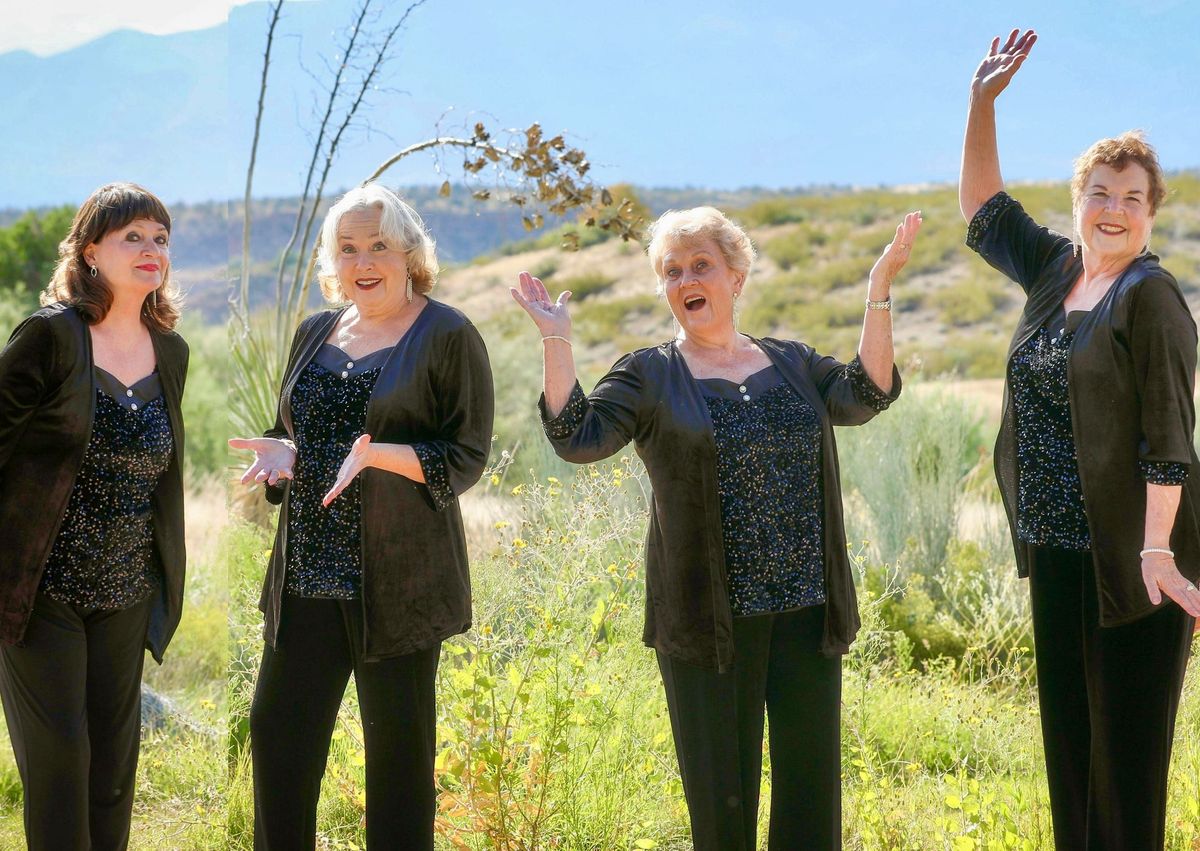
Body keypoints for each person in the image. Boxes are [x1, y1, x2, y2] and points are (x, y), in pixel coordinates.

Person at [512, 205, 920, 850]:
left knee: (812, 804)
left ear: (736, 276)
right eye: (671, 271)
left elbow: (866, 394)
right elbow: (577, 438)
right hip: (708, 623)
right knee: (722, 811)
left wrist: (877, 291)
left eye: (700, 265)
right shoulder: (649, 373)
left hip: (807, 613)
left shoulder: (789, 362)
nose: (685, 280)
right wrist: (556, 340)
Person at [959, 29, 1200, 850]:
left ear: (1150, 213)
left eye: (1133, 197)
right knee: (1071, 754)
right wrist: (981, 104)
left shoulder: (1151, 296)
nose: (1114, 209)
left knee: (1126, 770)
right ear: (1078, 201)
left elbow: (1171, 431)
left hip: (1136, 560)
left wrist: (1159, 552)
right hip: (1059, 554)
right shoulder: (1058, 272)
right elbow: (983, 211)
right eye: (1101, 192)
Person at [230, 183, 493, 850]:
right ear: (332, 262)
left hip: (398, 588)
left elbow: (464, 457)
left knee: (399, 770)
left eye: (378, 244)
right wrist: (283, 452)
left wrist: (381, 457)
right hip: (305, 581)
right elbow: (298, 428)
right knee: (278, 741)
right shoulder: (315, 332)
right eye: (348, 247)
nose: (363, 259)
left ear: (410, 253)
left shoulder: (447, 333)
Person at [0, 182, 188, 851]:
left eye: (160, 237)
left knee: (111, 775)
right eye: (132, 236)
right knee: (61, 765)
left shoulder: (172, 351)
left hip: (127, 589)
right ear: (90, 252)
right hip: (38, 589)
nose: (150, 249)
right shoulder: (48, 337)